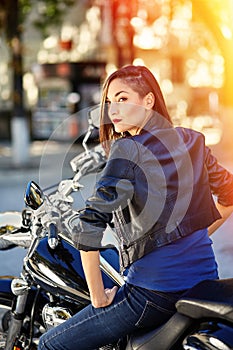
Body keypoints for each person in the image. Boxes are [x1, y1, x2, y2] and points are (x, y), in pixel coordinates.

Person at [38, 65, 233, 350]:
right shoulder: (193, 140)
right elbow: (228, 197)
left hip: (153, 294)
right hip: (204, 279)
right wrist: (195, 237)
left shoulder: (127, 149)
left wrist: (98, 297)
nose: (112, 109)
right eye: (108, 102)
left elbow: (90, 226)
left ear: (149, 101)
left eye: (122, 99)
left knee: (49, 344)